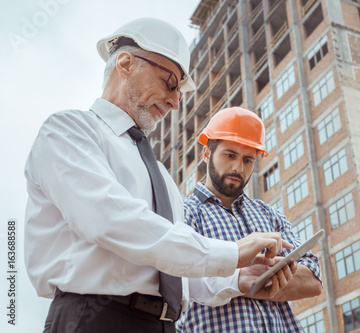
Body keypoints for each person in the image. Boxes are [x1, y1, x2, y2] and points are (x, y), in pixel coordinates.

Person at [24, 18, 294, 333]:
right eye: (170, 83)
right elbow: (111, 221)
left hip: (162, 325)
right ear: (125, 63)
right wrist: (232, 252)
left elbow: (170, 264)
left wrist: (235, 278)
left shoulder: (161, 176)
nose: (176, 102)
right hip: (94, 319)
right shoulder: (69, 131)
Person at [176, 107, 323, 332]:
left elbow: (313, 280)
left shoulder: (269, 215)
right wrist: (244, 278)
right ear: (206, 153)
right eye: (230, 155)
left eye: (248, 160)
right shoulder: (183, 214)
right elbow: (178, 279)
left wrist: (251, 277)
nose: (238, 168)